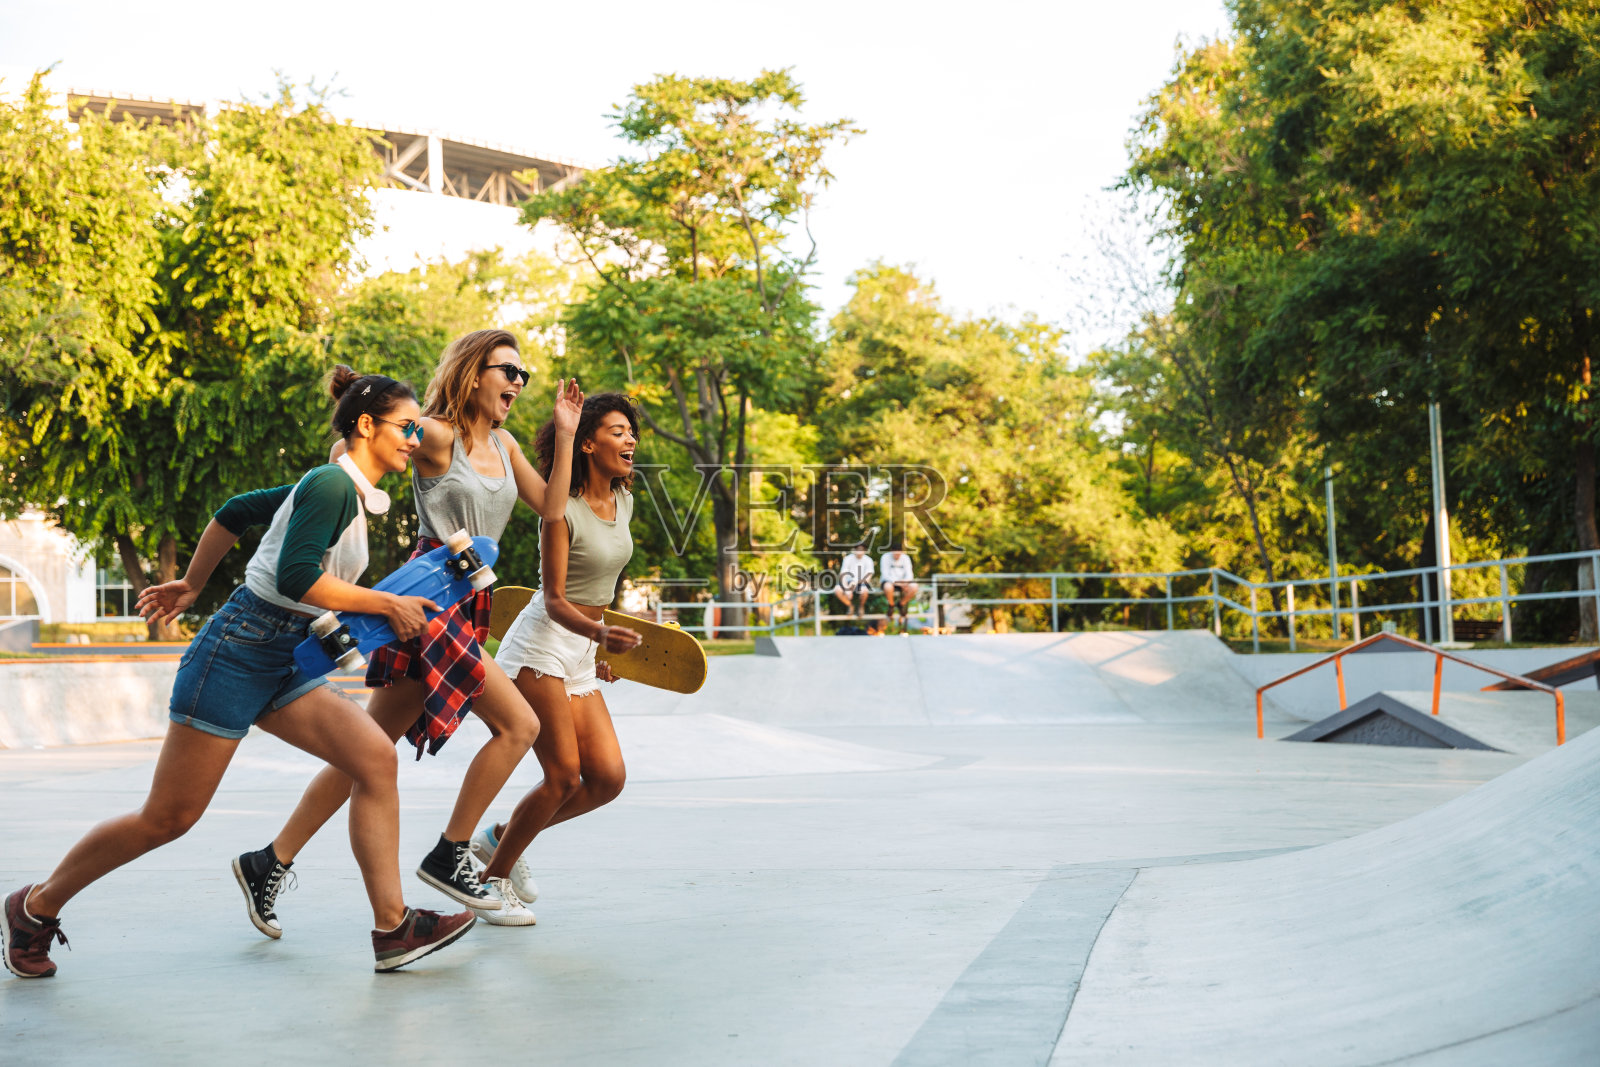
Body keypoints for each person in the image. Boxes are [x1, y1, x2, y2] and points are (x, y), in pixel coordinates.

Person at [1, 368, 477, 979]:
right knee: (168, 818)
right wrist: (386, 604)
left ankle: (393, 928)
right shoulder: (333, 485)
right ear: (367, 425)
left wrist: (193, 584)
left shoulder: (344, 490)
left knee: (374, 758)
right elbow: (295, 578)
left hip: (284, 654)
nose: (417, 438)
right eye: (408, 426)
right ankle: (35, 907)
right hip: (235, 650)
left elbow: (235, 513)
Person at [235, 330, 581, 933]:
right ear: (475, 374)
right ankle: (451, 854)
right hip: (430, 596)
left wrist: (569, 434)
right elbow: (380, 438)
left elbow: (551, 510)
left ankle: (269, 861)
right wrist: (361, 409)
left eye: (524, 375)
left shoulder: (503, 443)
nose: (519, 383)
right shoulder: (438, 433)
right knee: (519, 723)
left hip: (468, 597)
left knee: (363, 751)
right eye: (510, 371)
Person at [474, 393, 644, 897]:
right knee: (563, 776)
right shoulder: (560, 511)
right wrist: (598, 633)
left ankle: (502, 839)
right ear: (589, 443)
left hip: (583, 650)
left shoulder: (625, 502)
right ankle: (491, 881)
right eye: (618, 431)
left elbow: (600, 593)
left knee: (607, 779)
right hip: (542, 645)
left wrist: (601, 645)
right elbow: (552, 599)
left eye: (631, 431)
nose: (630, 438)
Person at [880, 542, 919, 633]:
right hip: (889, 582)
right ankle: (891, 605)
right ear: (891, 551)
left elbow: (909, 573)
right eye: (895, 554)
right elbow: (885, 574)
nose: (897, 556)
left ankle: (901, 604)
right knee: (888, 587)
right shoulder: (885, 557)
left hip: (903, 582)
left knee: (914, 586)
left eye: (899, 554)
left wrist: (905, 582)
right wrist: (897, 583)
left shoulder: (905, 558)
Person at [833, 542, 874, 618]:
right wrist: (847, 589)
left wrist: (856, 583)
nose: (859, 551)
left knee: (864, 591)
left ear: (865, 551)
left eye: (862, 549)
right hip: (848, 582)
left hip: (861, 582)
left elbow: (868, 577)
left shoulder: (868, 560)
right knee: (837, 590)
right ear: (854, 550)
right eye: (858, 549)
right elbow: (843, 574)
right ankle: (850, 606)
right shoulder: (848, 559)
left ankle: (861, 606)